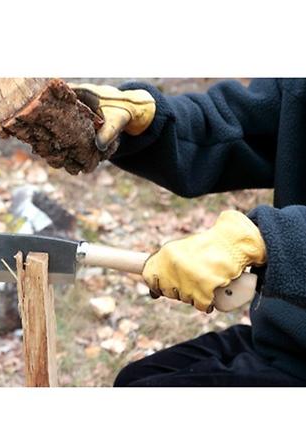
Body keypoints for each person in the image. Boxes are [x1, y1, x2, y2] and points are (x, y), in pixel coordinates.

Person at [66, 79, 306, 386]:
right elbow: (249, 123)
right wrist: (154, 122)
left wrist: (269, 240)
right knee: (135, 380)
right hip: (284, 337)